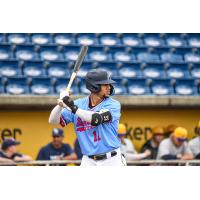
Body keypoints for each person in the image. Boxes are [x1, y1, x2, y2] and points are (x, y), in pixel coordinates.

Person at [49, 69, 126, 166]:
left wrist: (72, 107)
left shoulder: (113, 104)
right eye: (105, 84)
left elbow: (96, 119)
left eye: (109, 84)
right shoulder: (79, 104)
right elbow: (53, 120)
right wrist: (61, 104)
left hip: (112, 160)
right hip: (88, 160)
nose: (109, 87)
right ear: (95, 87)